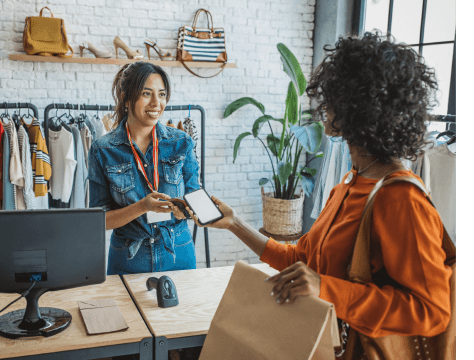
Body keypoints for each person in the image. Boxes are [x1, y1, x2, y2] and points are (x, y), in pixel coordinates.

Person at [190, 32, 453, 341]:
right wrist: (235, 224)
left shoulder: (400, 199)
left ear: (357, 108)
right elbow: (299, 262)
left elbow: (431, 312)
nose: (323, 108)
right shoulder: (349, 183)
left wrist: (326, 289)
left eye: (332, 99)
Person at [88, 61, 200, 275]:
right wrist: (141, 207)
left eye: (162, 94)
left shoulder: (182, 142)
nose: (157, 103)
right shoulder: (102, 150)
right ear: (126, 98)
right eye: (147, 94)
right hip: (129, 258)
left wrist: (190, 211)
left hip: (178, 252)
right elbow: (98, 221)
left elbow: (195, 194)